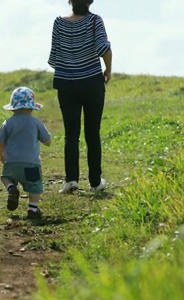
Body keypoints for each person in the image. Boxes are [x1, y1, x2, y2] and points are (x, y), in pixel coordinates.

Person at [48, 0, 112, 193]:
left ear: (70, 2)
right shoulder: (95, 21)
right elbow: (104, 48)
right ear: (90, 2)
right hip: (92, 83)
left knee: (71, 134)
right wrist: (108, 70)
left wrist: (71, 63)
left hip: (66, 84)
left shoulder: (59, 22)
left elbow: (54, 58)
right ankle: (94, 182)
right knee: (92, 133)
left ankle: (71, 181)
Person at [0, 87, 52, 220]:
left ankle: (11, 188)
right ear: (32, 107)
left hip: (12, 162)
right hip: (32, 163)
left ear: (13, 108)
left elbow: (0, 141)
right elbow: (47, 141)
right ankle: (33, 209)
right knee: (35, 187)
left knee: (5, 177)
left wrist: (2, 155)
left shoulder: (7, 123)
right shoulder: (36, 123)